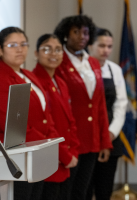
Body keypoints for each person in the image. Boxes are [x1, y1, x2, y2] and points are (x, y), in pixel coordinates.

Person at [0, 27, 72, 200]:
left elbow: (47, 118)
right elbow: (12, 126)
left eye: (23, 44)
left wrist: (54, 147)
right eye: (12, 45)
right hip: (18, 158)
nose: (19, 49)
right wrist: (50, 147)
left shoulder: (28, 75)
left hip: (38, 155)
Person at [54, 15, 113, 200]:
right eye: (76, 31)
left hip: (92, 139)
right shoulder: (58, 61)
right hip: (70, 139)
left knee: (83, 191)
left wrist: (104, 141)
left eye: (86, 32)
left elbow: (99, 105)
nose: (82, 36)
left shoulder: (94, 62)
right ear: (65, 34)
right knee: (67, 192)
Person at [32, 34, 80, 200]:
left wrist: (73, 150)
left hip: (67, 158)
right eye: (47, 49)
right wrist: (64, 155)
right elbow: (42, 128)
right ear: (36, 53)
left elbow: (70, 121)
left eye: (58, 50)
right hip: (49, 160)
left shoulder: (61, 82)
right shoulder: (33, 83)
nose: (53, 54)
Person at [86, 28, 128, 200]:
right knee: (84, 188)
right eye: (102, 45)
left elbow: (121, 104)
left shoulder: (114, 69)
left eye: (109, 46)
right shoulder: (82, 68)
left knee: (105, 188)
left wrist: (110, 134)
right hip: (87, 136)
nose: (106, 50)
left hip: (110, 136)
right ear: (90, 46)